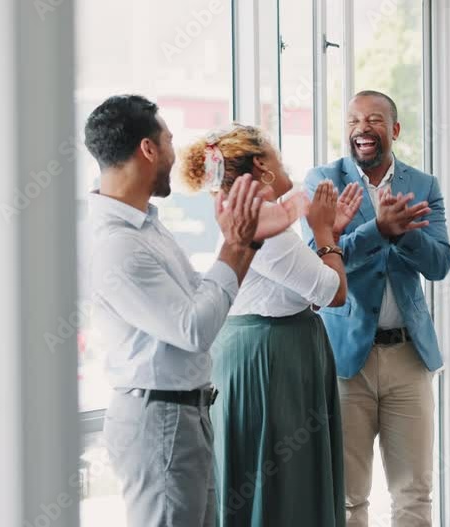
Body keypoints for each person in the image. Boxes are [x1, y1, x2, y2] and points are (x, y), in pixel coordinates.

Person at [83, 95, 288, 527]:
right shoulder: (119, 246)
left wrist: (247, 244)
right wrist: (235, 245)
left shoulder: (145, 226)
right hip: (160, 419)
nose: (177, 155)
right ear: (148, 149)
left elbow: (201, 296)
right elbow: (195, 328)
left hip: (181, 414)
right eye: (170, 141)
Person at [178, 124, 365, 526]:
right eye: (277, 153)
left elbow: (301, 283)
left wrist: (329, 230)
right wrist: (323, 232)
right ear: (261, 165)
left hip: (271, 352)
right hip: (270, 361)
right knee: (282, 487)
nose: (284, 162)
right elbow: (332, 292)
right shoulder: (266, 226)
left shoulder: (260, 218)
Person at [304, 90, 450, 527]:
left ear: (395, 129)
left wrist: (403, 234)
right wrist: (378, 230)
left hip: (409, 357)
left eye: (373, 120)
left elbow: (441, 263)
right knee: (349, 496)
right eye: (352, 121)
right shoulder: (322, 182)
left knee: (414, 491)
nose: (361, 129)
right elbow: (318, 261)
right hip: (346, 357)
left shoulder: (423, 185)